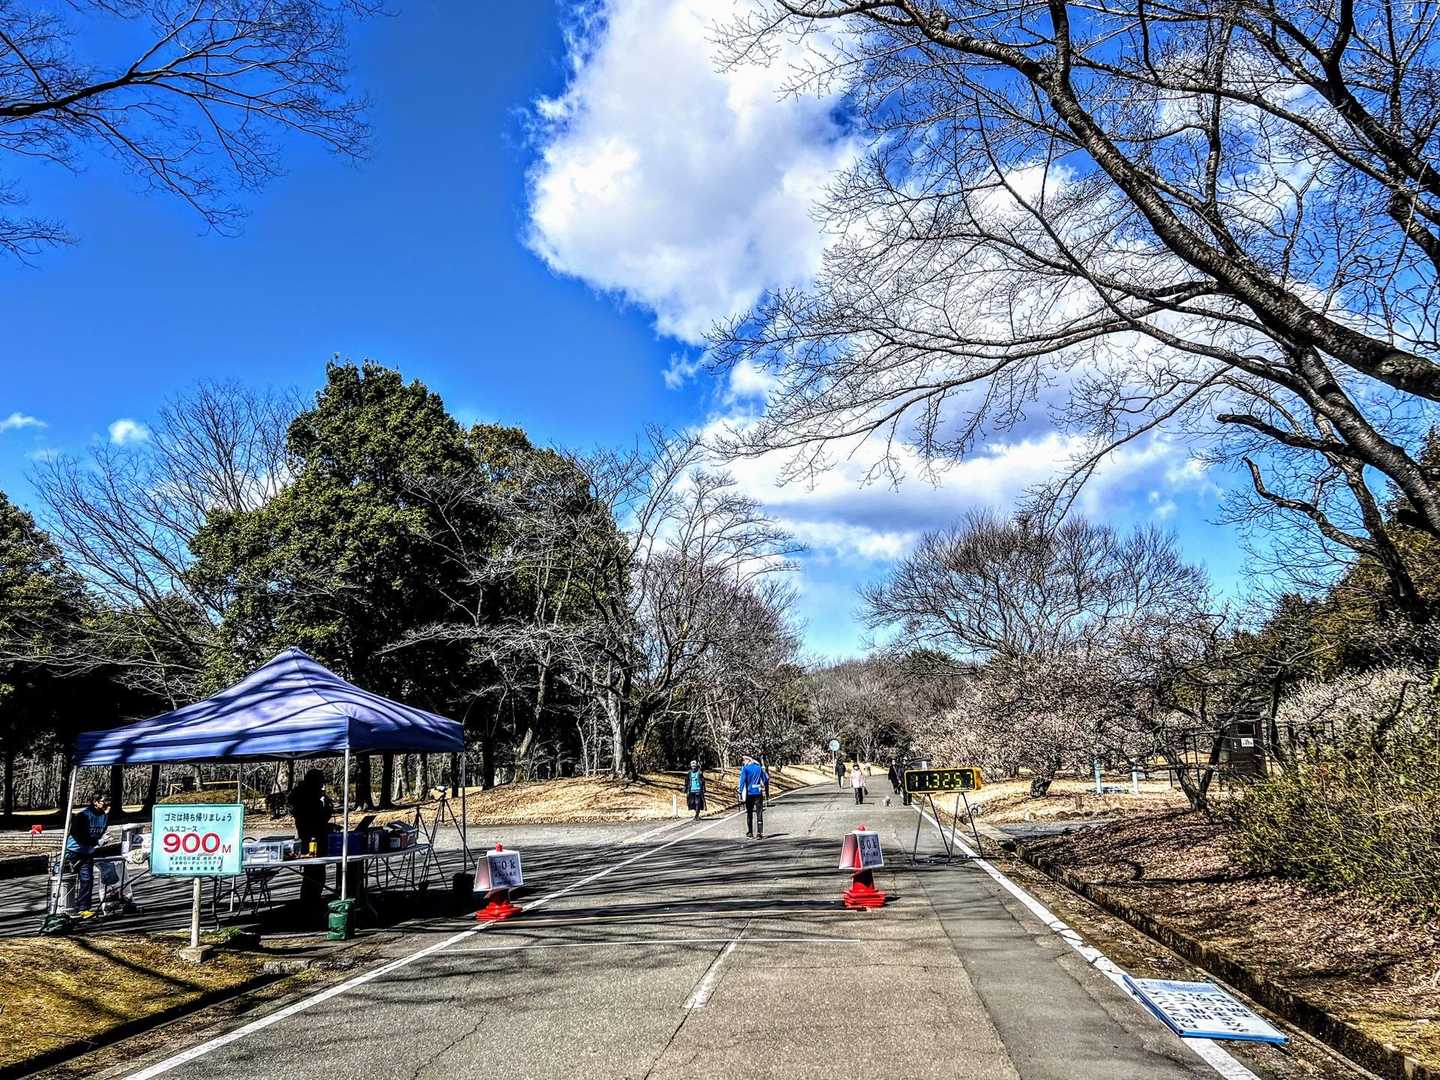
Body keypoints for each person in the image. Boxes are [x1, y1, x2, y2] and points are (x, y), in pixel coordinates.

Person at [288, 768, 334, 905]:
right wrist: (326, 806)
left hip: (309, 835)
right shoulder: (308, 797)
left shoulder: (301, 794)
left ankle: (310, 900)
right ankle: (310, 902)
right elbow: (318, 817)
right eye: (320, 782)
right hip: (312, 838)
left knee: (313, 873)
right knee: (315, 873)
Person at [64, 791, 110, 912]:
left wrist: (102, 839)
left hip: (88, 852)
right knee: (66, 879)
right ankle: (64, 906)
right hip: (73, 851)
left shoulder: (104, 816)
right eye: (104, 801)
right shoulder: (83, 815)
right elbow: (76, 834)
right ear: (95, 802)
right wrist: (96, 842)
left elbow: (101, 831)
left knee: (87, 879)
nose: (107, 803)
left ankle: (83, 908)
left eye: (108, 800)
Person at [737, 755, 769, 839]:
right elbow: (766, 779)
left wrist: (740, 791)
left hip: (749, 793)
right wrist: (764, 787)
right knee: (759, 812)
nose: (743, 762)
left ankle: (750, 832)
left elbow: (742, 781)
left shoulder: (745, 769)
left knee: (749, 812)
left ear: (747, 760)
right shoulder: (758, 768)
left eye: (743, 760)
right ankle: (759, 833)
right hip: (758, 792)